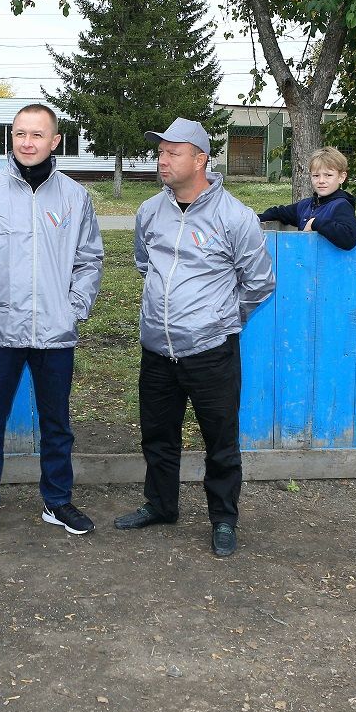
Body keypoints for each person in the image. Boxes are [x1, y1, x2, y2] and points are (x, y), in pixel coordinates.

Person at [113, 118, 276, 558]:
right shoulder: (149, 211)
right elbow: (145, 264)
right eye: (160, 152)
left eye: (173, 153)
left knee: (220, 440)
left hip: (211, 352)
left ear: (200, 159)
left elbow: (259, 283)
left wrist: (220, 319)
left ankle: (223, 519)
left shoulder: (236, 218)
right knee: (157, 436)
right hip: (157, 350)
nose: (162, 160)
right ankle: (161, 505)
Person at [0, 104, 104, 540]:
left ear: (55, 141)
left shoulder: (75, 197)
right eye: (20, 134)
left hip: (55, 335)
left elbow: (89, 259)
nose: (27, 142)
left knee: (57, 424)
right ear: (11, 138)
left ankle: (58, 501)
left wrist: (73, 308)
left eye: (37, 135)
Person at [257, 146, 356, 249]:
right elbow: (279, 213)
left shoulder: (341, 205)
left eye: (328, 175)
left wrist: (315, 223)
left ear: (341, 177)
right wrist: (252, 218)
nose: (321, 180)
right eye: (316, 175)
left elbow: (350, 236)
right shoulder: (306, 205)